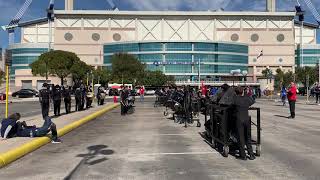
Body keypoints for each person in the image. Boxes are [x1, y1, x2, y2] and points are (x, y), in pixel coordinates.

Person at [233, 86, 255, 160]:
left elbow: (229, 104)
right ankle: (251, 154)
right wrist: (245, 93)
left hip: (239, 120)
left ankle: (243, 155)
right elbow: (252, 101)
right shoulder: (246, 99)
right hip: (247, 119)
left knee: (241, 138)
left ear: (235, 92)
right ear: (242, 92)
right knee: (248, 137)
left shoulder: (235, 99)